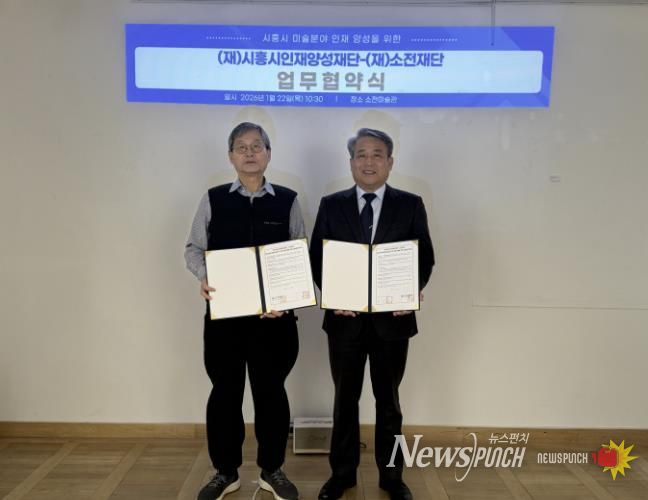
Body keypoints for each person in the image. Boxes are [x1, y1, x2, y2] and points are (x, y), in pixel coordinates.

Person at [309, 128, 435, 500]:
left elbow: (424, 257)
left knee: (389, 402)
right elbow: (317, 257)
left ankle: (392, 477)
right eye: (361, 154)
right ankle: (342, 474)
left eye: (377, 154)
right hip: (344, 321)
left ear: (390, 162)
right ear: (351, 163)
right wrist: (333, 295)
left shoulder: (410, 204)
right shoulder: (331, 204)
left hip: (392, 323)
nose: (368, 162)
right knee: (344, 401)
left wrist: (410, 290)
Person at [185, 122, 303, 500]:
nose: (249, 153)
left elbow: (298, 255)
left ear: (268, 153)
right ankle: (225, 472)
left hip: (275, 323)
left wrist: (285, 298)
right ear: (231, 156)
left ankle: (272, 470)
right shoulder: (214, 199)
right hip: (225, 320)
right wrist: (205, 276)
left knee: (271, 394)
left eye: (256, 146)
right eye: (241, 147)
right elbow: (193, 249)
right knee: (225, 394)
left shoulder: (287, 200)